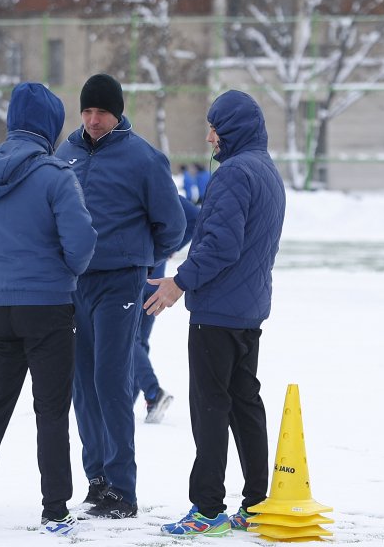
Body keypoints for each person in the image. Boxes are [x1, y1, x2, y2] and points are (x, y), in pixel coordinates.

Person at [0, 83, 97, 535]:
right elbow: (82, 244)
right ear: (50, 126)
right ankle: (54, 510)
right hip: (48, 308)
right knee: (50, 410)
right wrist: (58, 271)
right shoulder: (56, 176)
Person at [144, 90, 286, 536]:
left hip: (218, 312)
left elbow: (221, 245)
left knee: (210, 407)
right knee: (245, 403)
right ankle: (257, 503)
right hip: (248, 310)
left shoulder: (234, 174)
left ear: (234, 131)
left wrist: (178, 283)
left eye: (215, 129)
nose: (209, 137)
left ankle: (207, 509)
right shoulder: (267, 171)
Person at [55, 73, 186, 519]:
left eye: (102, 112)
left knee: (112, 380)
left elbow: (172, 224)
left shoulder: (144, 159)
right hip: (74, 283)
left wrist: (143, 257)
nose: (93, 119)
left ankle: (122, 488)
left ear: (118, 111)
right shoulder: (65, 154)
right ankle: (97, 478)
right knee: (83, 384)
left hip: (121, 282)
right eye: (87, 111)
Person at [132, 194, 199, 424]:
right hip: (155, 278)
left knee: (127, 340)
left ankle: (152, 392)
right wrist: (167, 248)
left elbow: (194, 218)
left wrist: (166, 249)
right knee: (138, 341)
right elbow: (194, 217)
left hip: (133, 276)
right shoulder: (159, 187)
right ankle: (130, 398)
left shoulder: (129, 182)